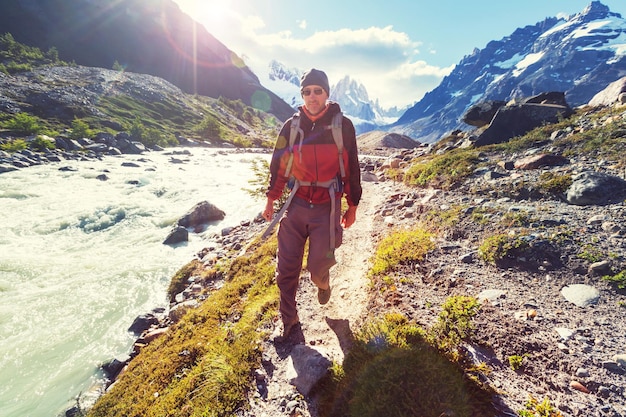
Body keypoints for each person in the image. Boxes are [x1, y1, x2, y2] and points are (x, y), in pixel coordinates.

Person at [262, 68, 362, 342]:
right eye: (307, 91)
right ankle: (290, 322)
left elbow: (352, 167)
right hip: (296, 205)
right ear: (302, 95)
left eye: (318, 91)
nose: (312, 96)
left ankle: (323, 282)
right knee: (287, 268)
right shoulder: (292, 127)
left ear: (327, 94)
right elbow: (279, 164)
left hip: (327, 206)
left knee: (318, 266)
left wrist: (352, 205)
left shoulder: (343, 126)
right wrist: (272, 198)